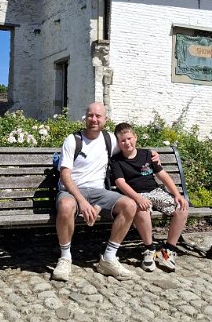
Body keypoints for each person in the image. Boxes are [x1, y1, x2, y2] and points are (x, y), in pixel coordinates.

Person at [53, 102, 155, 282]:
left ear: (105, 120)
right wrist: (82, 202)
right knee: (66, 205)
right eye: (90, 115)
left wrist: (152, 153)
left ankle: (108, 258)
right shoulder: (73, 140)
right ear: (85, 117)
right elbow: (65, 174)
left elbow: (129, 146)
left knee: (129, 205)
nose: (94, 119)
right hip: (72, 191)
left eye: (98, 116)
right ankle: (65, 257)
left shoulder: (110, 139)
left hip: (99, 192)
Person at [110, 123, 189, 273]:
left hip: (154, 191)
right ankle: (149, 249)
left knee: (182, 208)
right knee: (142, 209)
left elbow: (162, 175)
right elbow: (120, 183)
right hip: (135, 194)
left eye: (129, 138)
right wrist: (138, 198)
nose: (127, 143)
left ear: (135, 137)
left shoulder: (147, 155)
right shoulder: (116, 161)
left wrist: (178, 195)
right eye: (123, 141)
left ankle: (168, 250)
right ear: (118, 142)